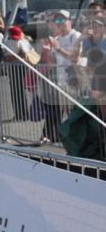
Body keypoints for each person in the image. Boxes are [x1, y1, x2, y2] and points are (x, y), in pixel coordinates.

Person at [37, 9, 83, 144]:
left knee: (75, 111)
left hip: (76, 80)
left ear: (70, 21)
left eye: (63, 20)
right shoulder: (57, 39)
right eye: (57, 21)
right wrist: (46, 51)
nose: (60, 23)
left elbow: (75, 58)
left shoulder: (76, 36)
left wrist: (57, 49)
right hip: (61, 81)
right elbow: (52, 63)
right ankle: (62, 137)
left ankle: (75, 138)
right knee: (62, 110)